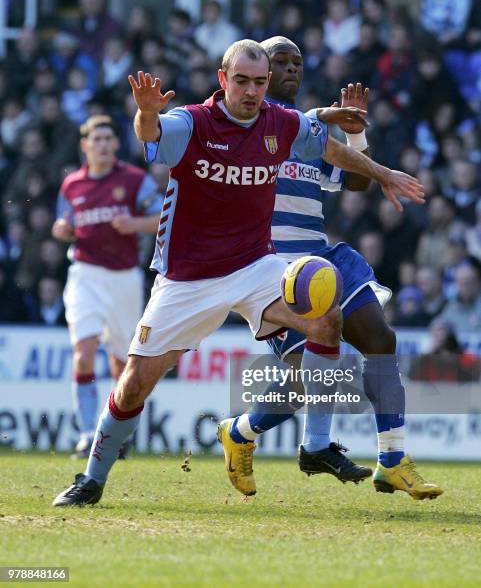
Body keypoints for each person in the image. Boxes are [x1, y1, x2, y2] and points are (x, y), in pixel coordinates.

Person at [52, 39, 424, 506]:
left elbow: (331, 151)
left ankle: (314, 446)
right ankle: (91, 480)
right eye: (242, 81)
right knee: (134, 385)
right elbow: (150, 134)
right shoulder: (192, 122)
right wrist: (146, 112)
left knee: (324, 312)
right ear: (223, 79)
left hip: (255, 266)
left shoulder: (280, 123)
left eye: (259, 82)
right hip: (188, 277)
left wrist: (384, 172)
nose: (251, 91)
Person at [225, 36, 442, 501]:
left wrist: (357, 133)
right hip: (272, 271)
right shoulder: (241, 127)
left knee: (380, 340)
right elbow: (285, 123)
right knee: (318, 374)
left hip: (320, 261)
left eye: (296, 63)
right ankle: (243, 431)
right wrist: (325, 115)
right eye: (279, 61)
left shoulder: (309, 139)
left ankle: (393, 460)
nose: (290, 69)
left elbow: (358, 180)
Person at [51, 114, 163, 459]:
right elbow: (63, 220)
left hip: (123, 279)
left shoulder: (133, 180)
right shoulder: (72, 185)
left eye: (107, 138)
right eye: (95, 139)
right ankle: (87, 435)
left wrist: (135, 223)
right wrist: (61, 229)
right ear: (85, 146)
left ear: (115, 144)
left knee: (121, 365)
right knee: (83, 354)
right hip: (84, 274)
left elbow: (163, 216)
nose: (101, 144)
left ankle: (114, 437)